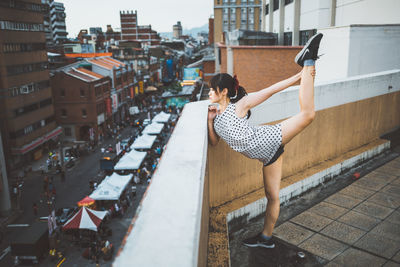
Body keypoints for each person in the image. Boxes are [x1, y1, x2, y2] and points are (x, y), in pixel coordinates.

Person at [207, 33, 323, 249]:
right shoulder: (215, 117)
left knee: (308, 115)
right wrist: (209, 121)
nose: (209, 92)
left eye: (212, 89)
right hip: (268, 155)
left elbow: (270, 90)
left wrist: (298, 77)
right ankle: (266, 239)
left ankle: (308, 61)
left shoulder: (239, 106)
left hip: (270, 138)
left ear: (223, 92)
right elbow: (214, 143)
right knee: (272, 196)